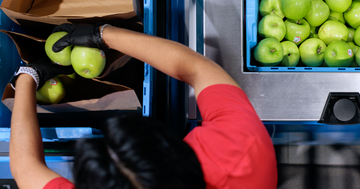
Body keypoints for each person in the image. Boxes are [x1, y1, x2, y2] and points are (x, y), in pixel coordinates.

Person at [9, 23, 278, 189]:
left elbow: (25, 167)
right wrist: (103, 35)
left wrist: (29, 77)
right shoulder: (242, 156)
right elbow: (198, 69)